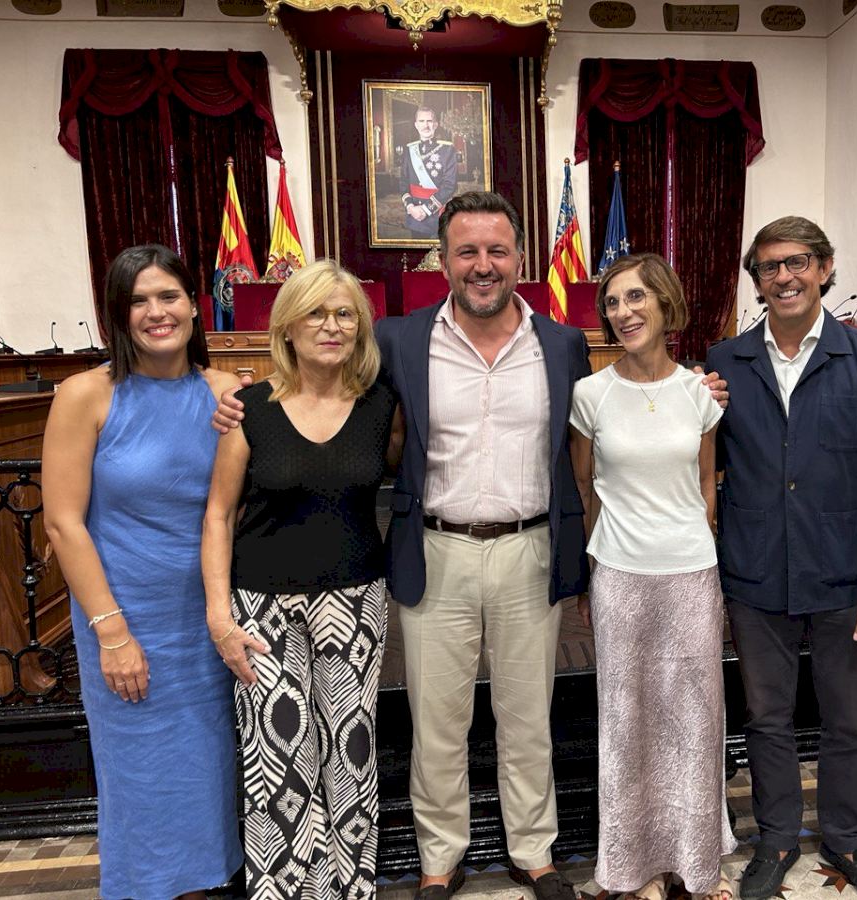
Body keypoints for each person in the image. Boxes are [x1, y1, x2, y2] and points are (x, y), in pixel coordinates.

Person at [212, 192, 726, 900]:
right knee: (438, 722)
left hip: (529, 549)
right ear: (444, 260)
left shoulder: (561, 344)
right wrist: (235, 393)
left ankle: (534, 853)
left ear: (519, 258)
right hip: (436, 550)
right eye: (467, 252)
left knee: (528, 719)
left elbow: (620, 417)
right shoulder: (399, 340)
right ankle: (439, 860)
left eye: (497, 251)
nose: (483, 266)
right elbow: (323, 382)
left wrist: (698, 386)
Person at [706, 216, 857, 900]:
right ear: (757, 281)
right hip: (756, 572)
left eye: (798, 262)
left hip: (847, 575)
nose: (785, 276)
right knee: (766, 718)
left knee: (849, 721)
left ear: (825, 268)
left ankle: (847, 839)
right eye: (770, 267)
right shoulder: (725, 361)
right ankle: (776, 839)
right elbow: (706, 464)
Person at [41, 244, 244, 899]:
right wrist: (111, 632)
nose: (157, 312)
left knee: (209, 771)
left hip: (210, 618)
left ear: (195, 306)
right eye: (138, 301)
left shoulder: (226, 393)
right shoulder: (85, 395)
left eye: (169, 296)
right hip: (126, 620)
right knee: (145, 776)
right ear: (117, 315)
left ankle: (203, 886)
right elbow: (63, 523)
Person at [202, 259, 403, 898]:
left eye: (344, 314)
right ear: (287, 326)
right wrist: (219, 617)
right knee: (279, 762)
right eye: (316, 313)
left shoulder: (381, 405)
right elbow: (219, 514)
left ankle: (351, 888)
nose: (331, 325)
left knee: (351, 755)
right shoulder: (249, 409)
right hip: (262, 609)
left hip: (355, 603)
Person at [568, 253, 735, 900]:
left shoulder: (700, 393)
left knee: (695, 722)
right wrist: (593, 572)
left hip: (691, 574)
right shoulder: (590, 394)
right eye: (613, 302)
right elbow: (586, 489)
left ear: (666, 304)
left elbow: (706, 485)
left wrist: (700, 544)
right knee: (628, 724)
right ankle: (635, 869)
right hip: (620, 576)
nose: (623, 312)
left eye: (636, 297)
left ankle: (696, 862)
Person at [402, 107, 459, 238]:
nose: (425, 125)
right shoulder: (409, 149)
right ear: (416, 125)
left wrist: (426, 209)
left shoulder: (447, 149)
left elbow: (450, 185)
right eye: (421, 121)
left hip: (438, 213)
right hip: (415, 214)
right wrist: (410, 207)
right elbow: (403, 181)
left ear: (436, 124)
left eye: (429, 121)